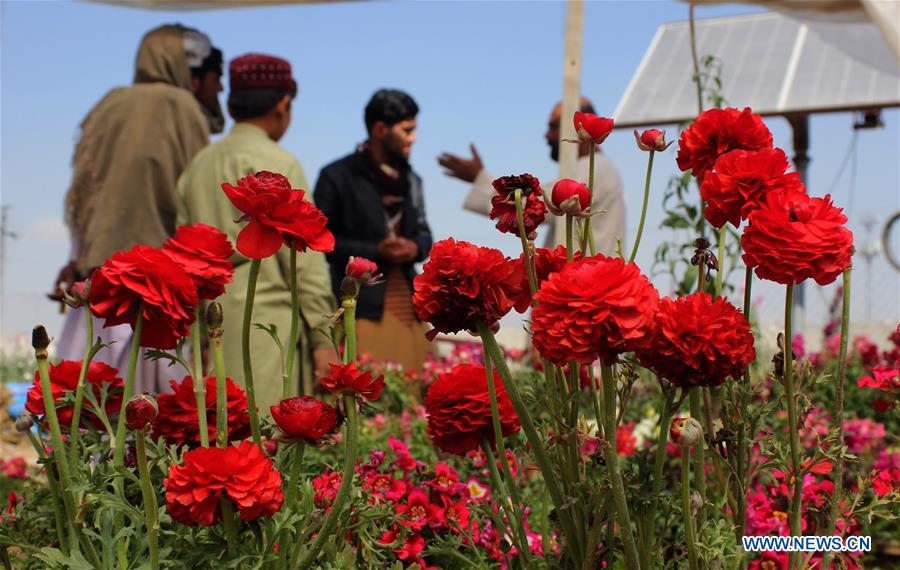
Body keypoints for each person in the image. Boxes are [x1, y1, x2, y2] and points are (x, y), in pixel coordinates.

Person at [52, 24, 225, 393]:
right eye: (216, 77)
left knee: (88, 416)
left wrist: (78, 260)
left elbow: (86, 194)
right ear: (194, 75)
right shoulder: (183, 109)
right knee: (148, 426)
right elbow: (196, 208)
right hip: (152, 297)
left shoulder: (108, 104)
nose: (220, 89)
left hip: (96, 287)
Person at [176, 53, 338, 409]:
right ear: (283, 104)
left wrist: (197, 338)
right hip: (268, 331)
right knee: (268, 446)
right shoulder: (281, 163)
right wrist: (323, 336)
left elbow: (183, 260)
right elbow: (305, 260)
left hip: (211, 328)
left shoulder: (197, 166)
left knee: (220, 445)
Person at [314, 89, 433, 372]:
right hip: (359, 308)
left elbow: (425, 233)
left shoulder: (412, 180)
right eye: (407, 130)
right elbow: (319, 243)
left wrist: (415, 247)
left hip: (409, 307)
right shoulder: (336, 177)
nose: (413, 138)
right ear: (380, 129)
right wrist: (373, 252)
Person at [438, 98, 626, 256]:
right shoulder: (592, 167)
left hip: (587, 288)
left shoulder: (594, 169)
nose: (547, 135)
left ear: (577, 128)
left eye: (554, 127)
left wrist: (479, 177)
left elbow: (534, 208)